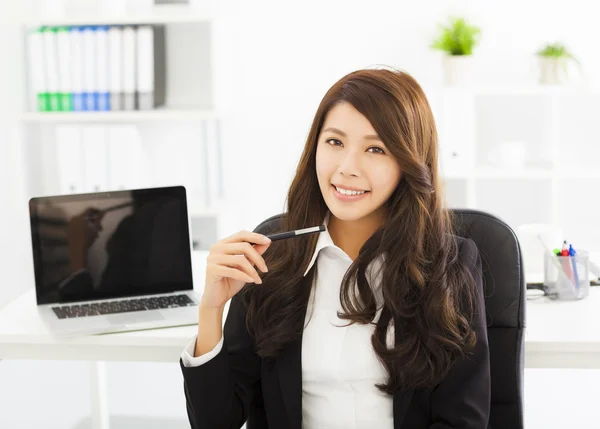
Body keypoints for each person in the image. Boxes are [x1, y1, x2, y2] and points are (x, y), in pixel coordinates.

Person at [179, 68, 491, 429]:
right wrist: (211, 309)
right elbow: (217, 421)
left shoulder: (448, 264)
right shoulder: (273, 257)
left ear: (409, 162)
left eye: (375, 149)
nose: (347, 168)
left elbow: (462, 420)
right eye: (335, 142)